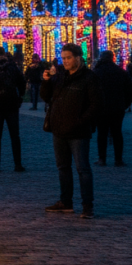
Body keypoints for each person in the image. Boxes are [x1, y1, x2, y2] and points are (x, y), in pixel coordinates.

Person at [41, 43, 102, 219]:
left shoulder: (89, 78)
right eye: (63, 58)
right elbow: (46, 97)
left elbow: (96, 105)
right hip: (59, 129)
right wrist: (46, 81)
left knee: (82, 168)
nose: (65, 61)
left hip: (78, 131)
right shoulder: (61, 77)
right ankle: (65, 202)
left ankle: (87, 205)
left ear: (78, 58)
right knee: (62, 167)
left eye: (68, 58)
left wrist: (80, 122)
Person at [93, 50, 132, 167]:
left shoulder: (97, 72)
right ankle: (118, 159)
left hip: (102, 107)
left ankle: (102, 158)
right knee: (117, 133)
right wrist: (125, 104)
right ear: (112, 58)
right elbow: (129, 90)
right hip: (118, 107)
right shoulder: (120, 72)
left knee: (102, 133)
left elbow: (91, 91)